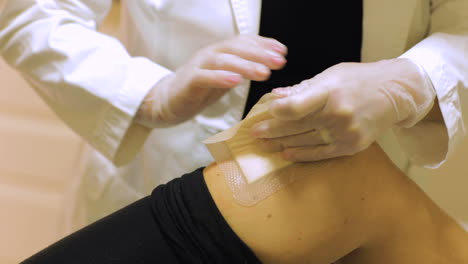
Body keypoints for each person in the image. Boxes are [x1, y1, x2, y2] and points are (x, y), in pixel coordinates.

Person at [1, 0, 467, 226]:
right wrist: (148, 93)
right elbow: (33, 13)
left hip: (368, 207)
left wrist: (409, 83)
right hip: (161, 192)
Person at [19, 143, 468, 263]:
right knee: (337, 176)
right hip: (175, 157)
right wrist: (151, 91)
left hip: (339, 209)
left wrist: (413, 78)